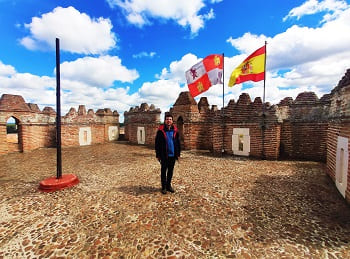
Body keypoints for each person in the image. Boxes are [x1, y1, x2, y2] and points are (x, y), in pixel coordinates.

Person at [155, 113, 181, 194]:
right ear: (165, 121)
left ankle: (168, 186)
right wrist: (158, 155)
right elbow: (157, 143)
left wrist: (178, 154)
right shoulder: (160, 131)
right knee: (163, 171)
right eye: (167, 119)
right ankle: (163, 187)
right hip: (164, 155)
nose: (168, 121)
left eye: (170, 119)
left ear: (172, 121)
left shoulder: (175, 130)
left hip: (172, 155)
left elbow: (178, 143)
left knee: (170, 171)